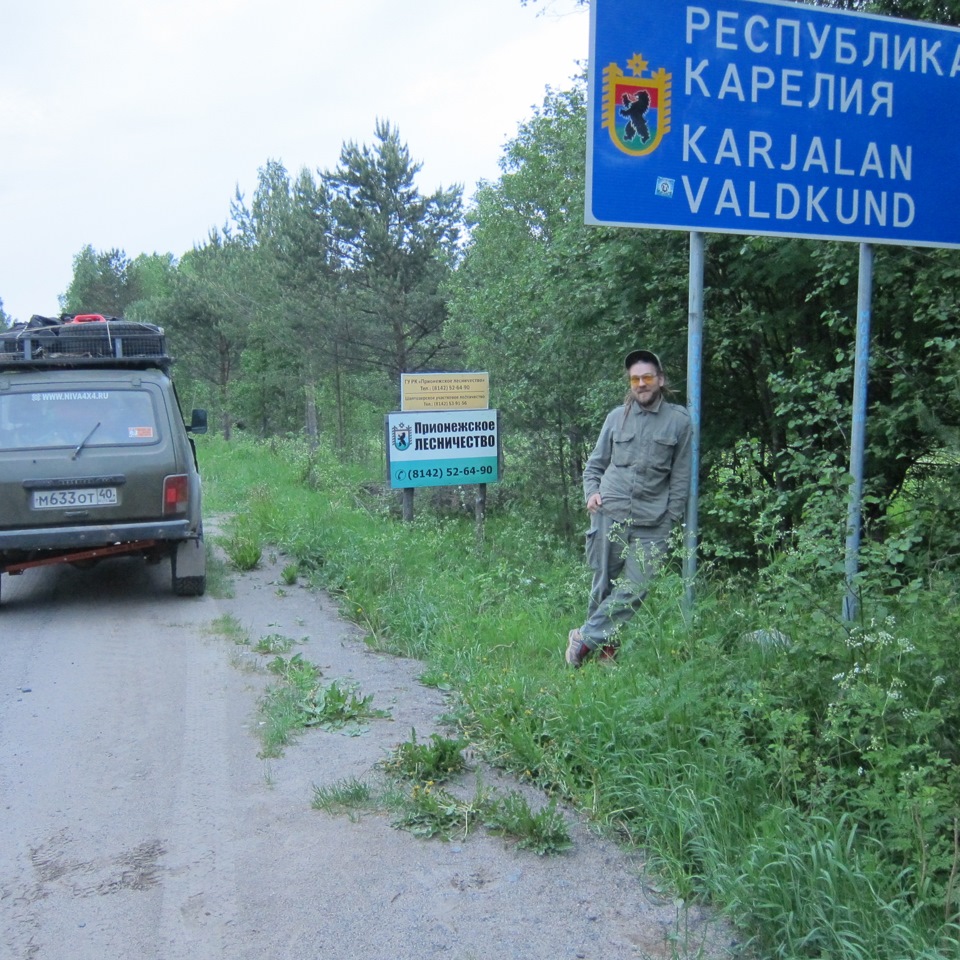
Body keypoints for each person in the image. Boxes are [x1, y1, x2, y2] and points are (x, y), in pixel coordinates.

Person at [566, 349, 692, 667]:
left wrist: (671, 518)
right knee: (603, 585)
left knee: (636, 589)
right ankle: (606, 653)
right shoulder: (615, 418)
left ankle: (583, 638)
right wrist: (591, 493)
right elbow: (594, 466)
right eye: (635, 378)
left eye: (647, 377)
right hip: (610, 511)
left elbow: (681, 476)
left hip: (654, 520)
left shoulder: (679, 421)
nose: (641, 383)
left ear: (660, 381)